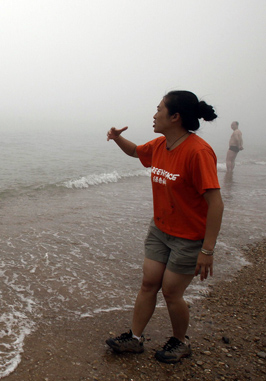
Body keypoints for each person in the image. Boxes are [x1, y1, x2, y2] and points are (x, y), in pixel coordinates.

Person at [104, 91, 224, 364]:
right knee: (149, 283)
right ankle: (134, 338)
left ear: (175, 117)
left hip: (190, 237)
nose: (154, 115)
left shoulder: (198, 152)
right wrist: (116, 137)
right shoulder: (160, 145)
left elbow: (216, 203)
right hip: (160, 229)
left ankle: (180, 342)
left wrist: (208, 250)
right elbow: (136, 152)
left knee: (171, 292)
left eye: (159, 110)